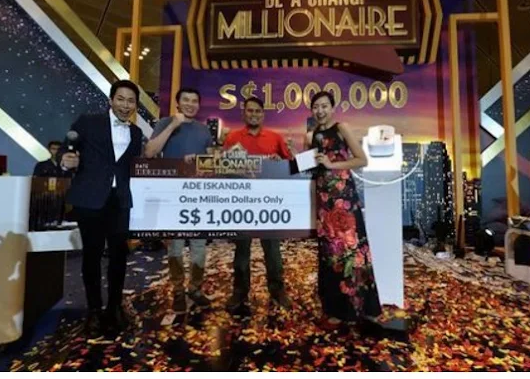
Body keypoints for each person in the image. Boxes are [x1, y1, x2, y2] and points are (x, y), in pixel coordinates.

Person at [60, 80, 143, 336]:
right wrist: (65, 160)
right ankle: (94, 311)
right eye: (121, 99)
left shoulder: (136, 133)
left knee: (119, 256)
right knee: (92, 256)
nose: (125, 105)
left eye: (130, 101)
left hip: (120, 201)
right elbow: (66, 148)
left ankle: (114, 307)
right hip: (91, 199)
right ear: (111, 100)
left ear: (135, 105)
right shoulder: (88, 122)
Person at [304, 90, 382, 329]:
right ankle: (335, 309)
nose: (320, 111)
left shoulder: (341, 128)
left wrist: (332, 164)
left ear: (332, 108)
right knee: (330, 255)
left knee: (352, 251)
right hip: (324, 201)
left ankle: (362, 307)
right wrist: (295, 157)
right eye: (316, 107)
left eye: (324, 106)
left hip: (344, 199)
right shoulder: (311, 135)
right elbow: (309, 169)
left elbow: (362, 159)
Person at [144, 88, 212, 313]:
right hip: (172, 195)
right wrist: (173, 125)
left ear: (198, 105)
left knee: (199, 248)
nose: (190, 104)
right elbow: (150, 152)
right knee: (175, 247)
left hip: (198, 196)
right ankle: (178, 290)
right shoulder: (165, 123)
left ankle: (195, 288)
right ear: (178, 103)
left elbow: (211, 162)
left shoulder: (204, 130)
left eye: (194, 101)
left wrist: (199, 160)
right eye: (186, 100)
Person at [223, 96, 292, 311]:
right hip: (241, 202)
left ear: (263, 114)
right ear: (244, 113)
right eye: (250, 111)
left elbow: (289, 166)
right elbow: (223, 169)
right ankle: (239, 291)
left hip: (268, 203)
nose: (253, 114)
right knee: (241, 251)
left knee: (272, 251)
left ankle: (277, 290)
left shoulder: (275, 137)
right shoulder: (233, 137)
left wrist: (279, 161)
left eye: (257, 111)